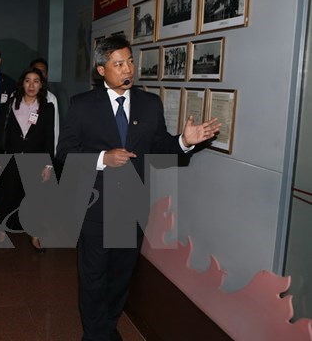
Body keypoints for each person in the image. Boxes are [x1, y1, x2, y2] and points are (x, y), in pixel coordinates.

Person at [56, 35, 220, 341]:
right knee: (93, 278)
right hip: (95, 207)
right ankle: (94, 335)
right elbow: (64, 153)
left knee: (120, 276)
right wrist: (103, 158)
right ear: (102, 70)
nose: (127, 68)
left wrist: (185, 142)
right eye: (118, 63)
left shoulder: (149, 103)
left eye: (130, 60)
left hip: (132, 207)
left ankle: (108, 325)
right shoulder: (82, 106)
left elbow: (159, 148)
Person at [0, 67, 54, 252]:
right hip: (10, 159)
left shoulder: (47, 108)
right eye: (28, 80)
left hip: (35, 160)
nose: (31, 85)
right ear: (22, 83)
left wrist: (48, 164)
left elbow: (49, 137)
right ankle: (2, 229)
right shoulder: (10, 104)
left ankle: (34, 235)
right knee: (7, 196)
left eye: (36, 81)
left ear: (41, 85)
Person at [29, 58, 60, 150]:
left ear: (46, 75)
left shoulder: (51, 99)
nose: (39, 74)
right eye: (36, 70)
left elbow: (54, 129)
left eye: (42, 71)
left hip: (40, 149)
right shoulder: (15, 96)